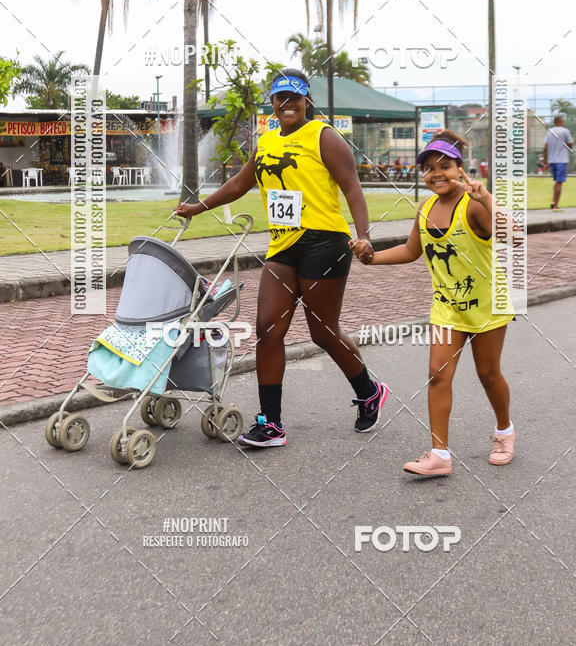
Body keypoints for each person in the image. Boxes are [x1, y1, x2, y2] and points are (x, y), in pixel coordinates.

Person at [175, 68, 388, 447]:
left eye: (294, 97)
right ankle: (271, 423)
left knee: (323, 332)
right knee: (267, 329)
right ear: (272, 103)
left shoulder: (324, 136)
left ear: (306, 100)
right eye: (280, 98)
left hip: (325, 242)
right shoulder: (266, 141)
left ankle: (369, 391)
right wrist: (198, 207)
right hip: (282, 247)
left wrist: (364, 236)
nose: (287, 104)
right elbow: (240, 183)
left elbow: (352, 188)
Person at [350, 130, 515, 478]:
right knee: (438, 375)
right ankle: (439, 454)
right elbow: (412, 250)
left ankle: (504, 430)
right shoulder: (425, 209)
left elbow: (513, 235)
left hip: (487, 305)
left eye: (444, 166)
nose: (436, 174)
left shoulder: (473, 206)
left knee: (488, 374)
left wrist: (488, 200)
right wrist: (371, 258)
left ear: (460, 168)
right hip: (447, 308)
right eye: (428, 168)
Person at [543, 115, 573, 210]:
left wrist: (545, 162)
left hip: (552, 161)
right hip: (562, 160)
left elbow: (545, 147)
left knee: (557, 182)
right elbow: (570, 145)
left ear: (554, 122)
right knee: (559, 182)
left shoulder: (549, 132)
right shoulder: (565, 131)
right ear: (561, 122)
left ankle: (553, 202)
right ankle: (555, 205)